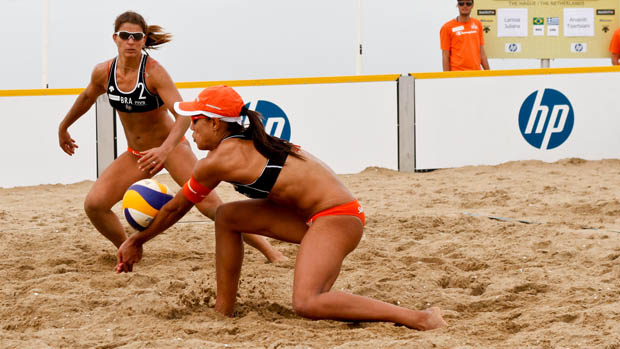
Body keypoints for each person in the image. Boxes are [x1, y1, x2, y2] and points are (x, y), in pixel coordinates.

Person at [114, 85, 448, 331]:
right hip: (312, 218)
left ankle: (420, 318)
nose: (191, 126)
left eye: (196, 120)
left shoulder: (219, 160)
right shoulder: (245, 142)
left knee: (307, 302)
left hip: (338, 218)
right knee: (228, 216)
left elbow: (175, 209)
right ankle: (223, 311)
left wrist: (137, 241)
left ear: (216, 124)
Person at [57, 11, 284, 263]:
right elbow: (87, 97)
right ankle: (128, 248)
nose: (130, 41)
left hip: (171, 149)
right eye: (125, 36)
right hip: (138, 154)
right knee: (94, 205)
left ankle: (270, 252)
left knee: (210, 205)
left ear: (144, 40)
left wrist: (165, 149)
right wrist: (64, 126)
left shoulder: (153, 73)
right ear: (115, 38)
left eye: (136, 36)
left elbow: (184, 116)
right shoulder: (103, 72)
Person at [440, 0, 490, 71]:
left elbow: (481, 52)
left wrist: (488, 73)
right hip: (457, 74)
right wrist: (447, 78)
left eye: (468, 3)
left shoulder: (478, 24)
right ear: (457, 5)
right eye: (461, 3)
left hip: (476, 73)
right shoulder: (447, 27)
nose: (465, 6)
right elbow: (445, 55)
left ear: (472, 5)